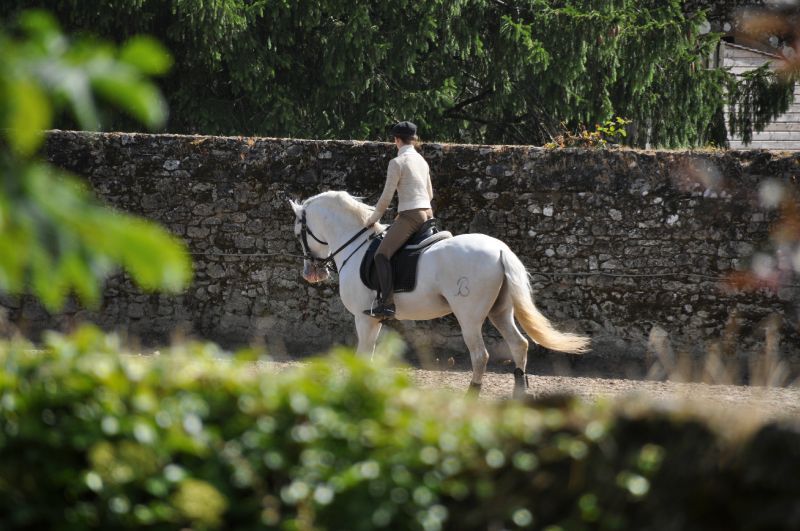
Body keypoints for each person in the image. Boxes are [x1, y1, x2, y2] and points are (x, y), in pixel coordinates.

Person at [363, 121, 434, 319]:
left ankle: (387, 304)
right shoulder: (422, 161)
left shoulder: (397, 163)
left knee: (381, 255)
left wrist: (372, 219)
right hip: (428, 214)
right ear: (413, 139)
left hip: (411, 216)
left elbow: (386, 198)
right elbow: (429, 193)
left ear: (396, 140)